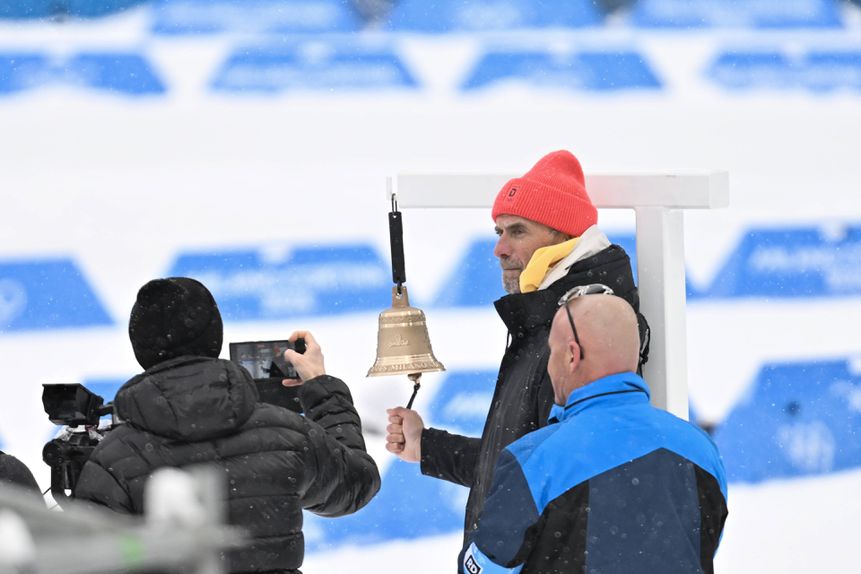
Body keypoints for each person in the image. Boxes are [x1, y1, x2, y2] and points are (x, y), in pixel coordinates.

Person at [386, 150, 649, 560]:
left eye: (517, 231)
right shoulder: (546, 318)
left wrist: (494, 563)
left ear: (562, 239)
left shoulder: (583, 330)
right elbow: (519, 463)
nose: (499, 249)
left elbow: (561, 483)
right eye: (498, 231)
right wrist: (429, 447)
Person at [74, 277, 380, 574]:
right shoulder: (285, 433)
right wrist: (320, 387)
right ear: (214, 338)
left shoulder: (114, 458)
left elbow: (88, 559)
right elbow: (358, 482)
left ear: (140, 349)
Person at [463, 287, 728, 574]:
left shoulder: (534, 460)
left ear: (572, 356)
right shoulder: (701, 450)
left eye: (552, 351)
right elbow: (703, 547)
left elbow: (485, 570)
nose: (549, 365)